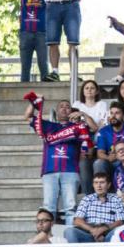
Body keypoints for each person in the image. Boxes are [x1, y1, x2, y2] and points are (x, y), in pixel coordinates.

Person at [24, 96, 84, 224]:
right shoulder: (48, 125)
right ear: (56, 111)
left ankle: (70, 238)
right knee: (48, 207)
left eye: (67, 106)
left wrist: (82, 114)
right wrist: (35, 103)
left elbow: (94, 128)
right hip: (49, 171)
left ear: (72, 111)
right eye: (61, 106)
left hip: (71, 171)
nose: (64, 108)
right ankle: (47, 238)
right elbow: (28, 116)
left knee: (71, 207)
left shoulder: (78, 127)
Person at [64, 172, 124, 243]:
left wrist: (103, 229)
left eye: (102, 182)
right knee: (69, 231)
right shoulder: (87, 199)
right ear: (93, 185)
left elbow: (120, 221)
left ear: (108, 185)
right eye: (96, 183)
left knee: (119, 230)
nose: (99, 186)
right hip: (89, 232)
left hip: (108, 233)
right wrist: (93, 230)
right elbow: (77, 220)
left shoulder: (117, 199)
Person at [95, 102, 124, 175]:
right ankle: (102, 185)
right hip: (110, 161)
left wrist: (117, 156)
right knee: (98, 163)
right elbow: (100, 153)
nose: (113, 116)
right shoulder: (103, 131)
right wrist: (108, 157)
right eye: (111, 113)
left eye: (117, 113)